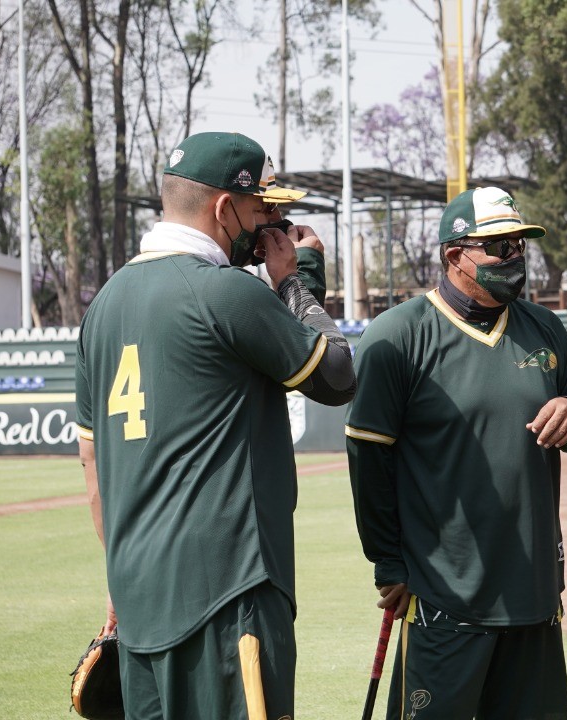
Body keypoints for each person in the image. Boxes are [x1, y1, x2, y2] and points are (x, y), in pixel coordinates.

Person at [75, 131, 356, 719]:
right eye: (263, 209)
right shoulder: (224, 292)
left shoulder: (101, 307)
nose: (274, 224)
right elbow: (334, 376)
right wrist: (293, 279)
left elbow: (93, 471)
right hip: (229, 597)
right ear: (225, 208)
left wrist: (119, 579)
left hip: (137, 600)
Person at [345, 186, 567, 720]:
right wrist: (387, 562)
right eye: (498, 247)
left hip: (533, 598)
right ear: (454, 255)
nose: (514, 258)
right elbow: (369, 460)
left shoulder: (545, 327)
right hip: (445, 599)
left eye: (518, 245)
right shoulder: (399, 334)